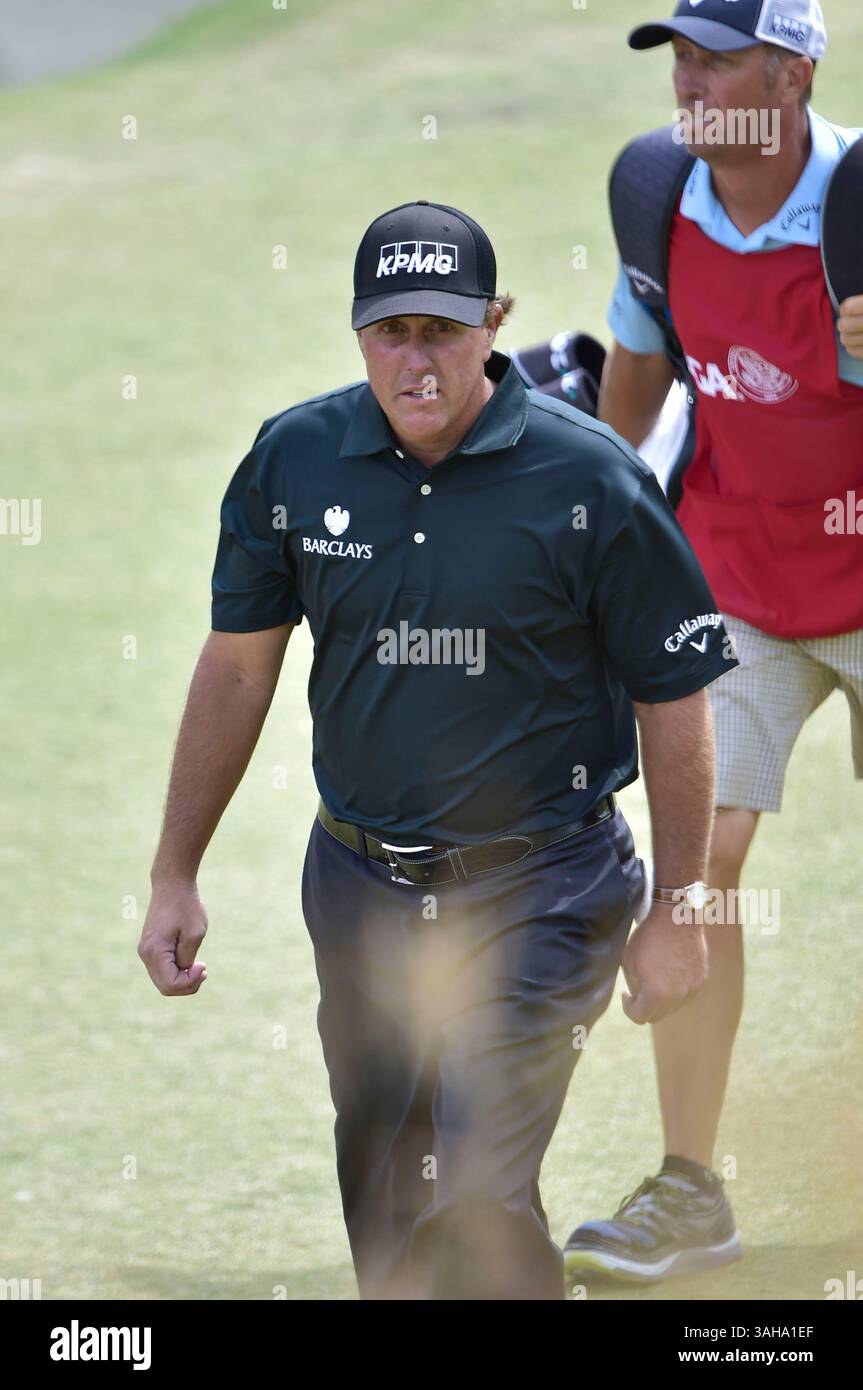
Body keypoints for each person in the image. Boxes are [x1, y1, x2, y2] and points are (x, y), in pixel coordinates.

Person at [138, 197, 738, 1300]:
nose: (415, 358)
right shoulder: (295, 460)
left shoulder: (589, 477)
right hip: (360, 882)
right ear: (358, 330)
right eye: (390, 330)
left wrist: (680, 903)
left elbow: (674, 695)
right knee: (388, 1195)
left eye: (442, 329)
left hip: (544, 887)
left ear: (494, 323)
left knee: (470, 1191)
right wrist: (176, 869)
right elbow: (235, 668)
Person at [564, 0, 863, 1286]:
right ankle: (692, 1190)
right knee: (700, 861)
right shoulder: (654, 193)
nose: (689, 82)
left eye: (717, 55)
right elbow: (633, 392)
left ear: (791, 70)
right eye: (676, 57)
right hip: (735, 576)